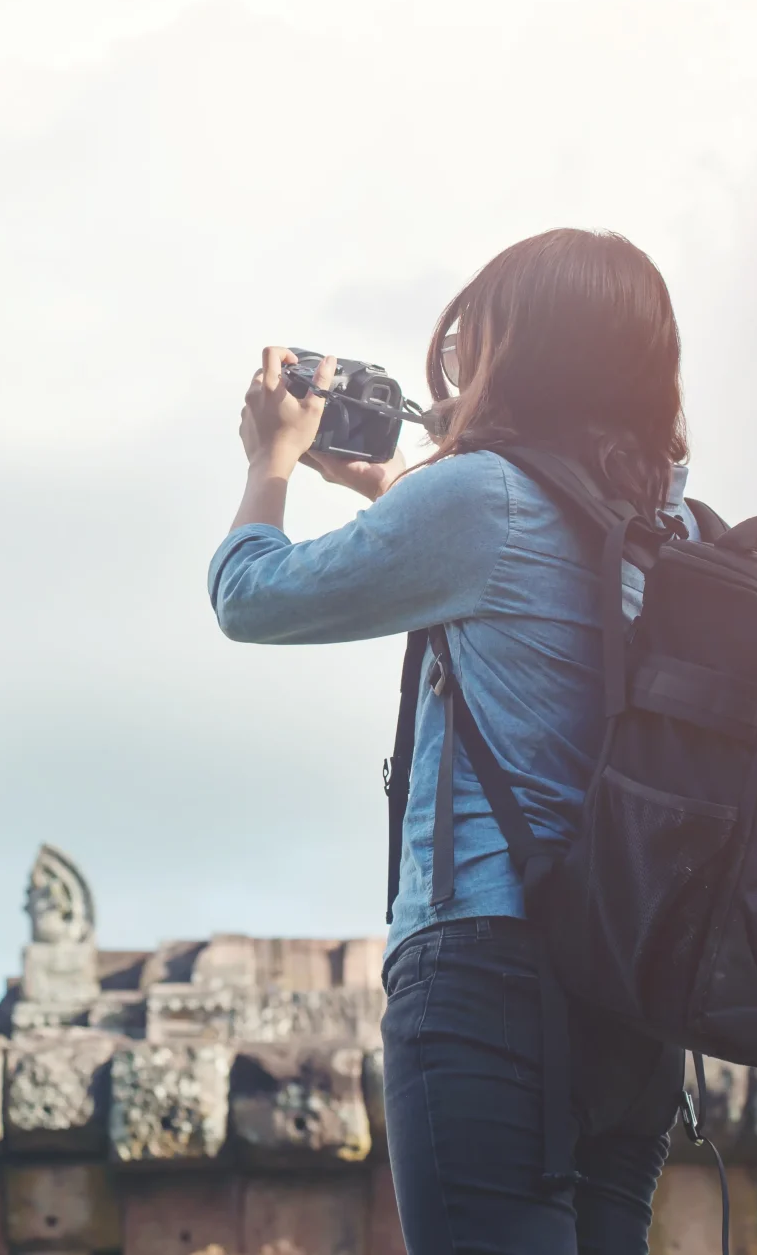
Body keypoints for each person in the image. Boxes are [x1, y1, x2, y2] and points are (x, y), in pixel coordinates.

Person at [207, 228, 692, 1255]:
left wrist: (272, 463)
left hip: (486, 971)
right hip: (631, 996)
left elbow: (248, 595)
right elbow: (533, 582)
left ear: (514, 354)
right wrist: (389, 491)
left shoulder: (475, 496)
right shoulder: (672, 524)